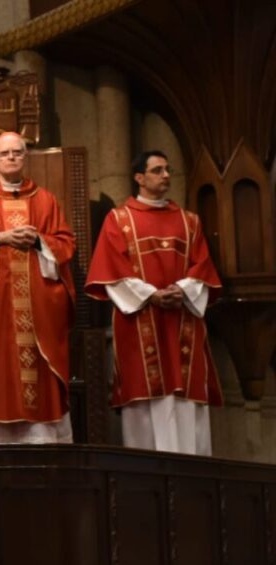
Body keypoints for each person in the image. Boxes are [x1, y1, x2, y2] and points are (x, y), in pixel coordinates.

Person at [86, 150, 222, 454]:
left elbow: (202, 267)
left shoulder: (190, 222)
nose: (166, 176)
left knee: (186, 399)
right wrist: (151, 294)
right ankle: (147, 481)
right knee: (146, 398)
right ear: (139, 178)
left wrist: (182, 289)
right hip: (140, 322)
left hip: (182, 317)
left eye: (167, 170)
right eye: (157, 170)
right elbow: (112, 269)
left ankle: (193, 480)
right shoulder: (119, 220)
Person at [0, 132, 76, 444]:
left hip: (39, 309)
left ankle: (41, 440)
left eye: (17, 152)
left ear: (25, 156)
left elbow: (66, 244)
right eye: (4, 153)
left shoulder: (46, 200)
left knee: (39, 371)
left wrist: (39, 240)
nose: (10, 158)